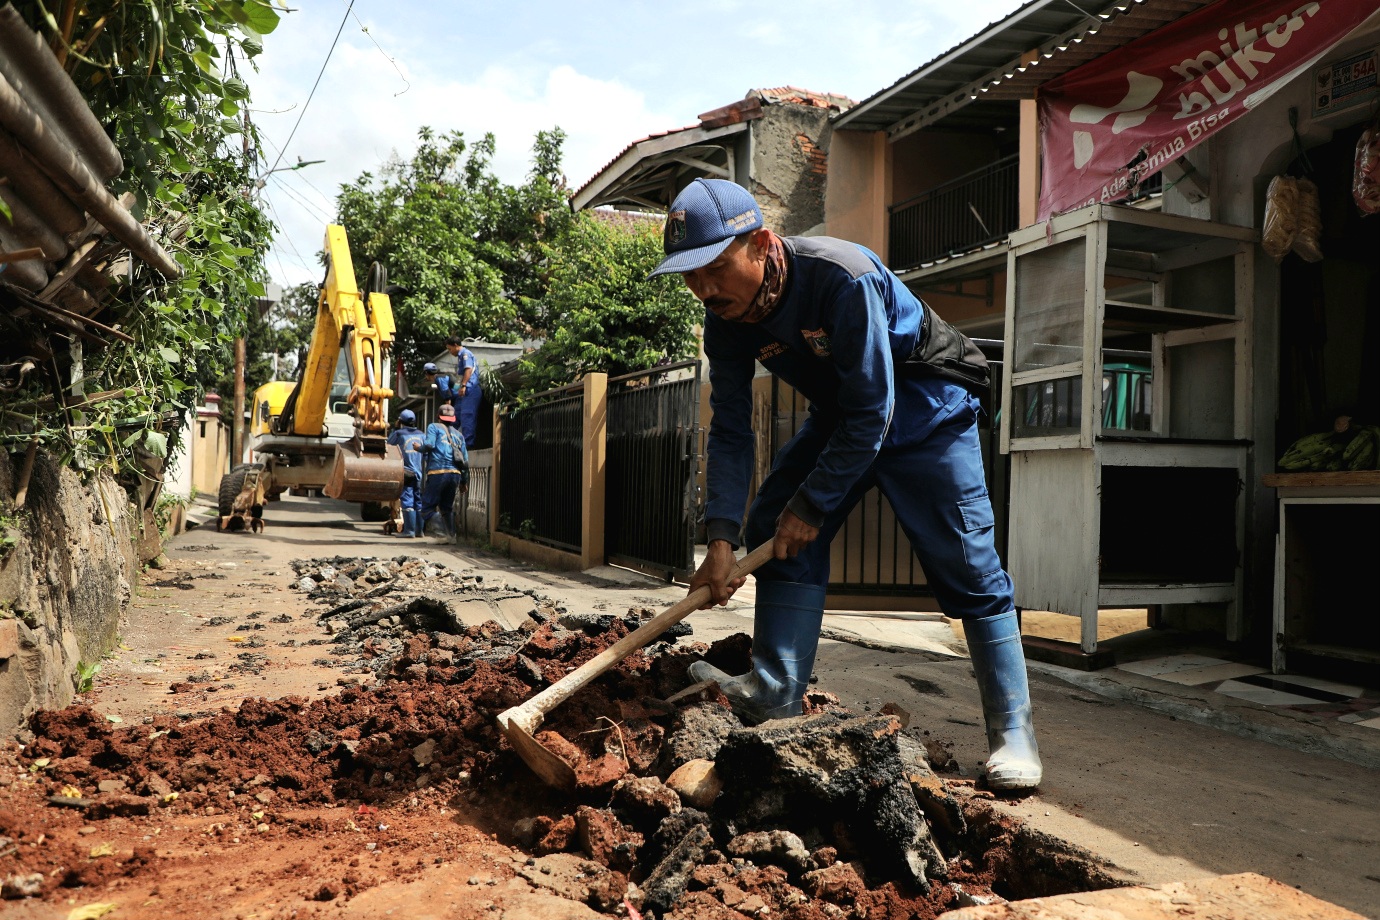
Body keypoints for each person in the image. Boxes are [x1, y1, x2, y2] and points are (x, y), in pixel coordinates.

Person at [651, 178, 1041, 791]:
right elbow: (729, 428)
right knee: (770, 520)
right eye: (689, 276)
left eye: (715, 268)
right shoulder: (724, 319)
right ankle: (774, 689)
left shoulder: (840, 276)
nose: (703, 288)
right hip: (846, 413)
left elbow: (875, 408)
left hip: (926, 408)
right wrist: (721, 537)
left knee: (968, 566)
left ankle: (1011, 731)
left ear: (758, 243)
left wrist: (815, 504)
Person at [419, 403, 468, 538]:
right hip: (455, 475)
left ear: (438, 417)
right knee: (446, 507)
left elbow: (429, 444)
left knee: (427, 507)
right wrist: (464, 481)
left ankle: (440, 534)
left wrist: (419, 448)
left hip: (438, 472)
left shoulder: (433, 427)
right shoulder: (459, 435)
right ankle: (451, 536)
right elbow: (465, 461)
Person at [387, 409, 425, 537]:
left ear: (401, 421)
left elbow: (388, 444)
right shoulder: (422, 434)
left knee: (407, 500)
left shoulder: (399, 434)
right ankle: (420, 531)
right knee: (418, 502)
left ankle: (409, 531)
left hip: (406, 472)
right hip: (419, 472)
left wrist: (395, 428)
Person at [445, 335, 483, 447]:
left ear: (456, 345)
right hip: (463, 392)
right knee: (455, 416)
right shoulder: (460, 357)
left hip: (470, 390)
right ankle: (448, 441)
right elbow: (460, 377)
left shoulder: (466, 354)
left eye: (450, 349)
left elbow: (468, 370)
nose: (450, 352)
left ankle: (468, 445)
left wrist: (463, 385)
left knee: (467, 416)